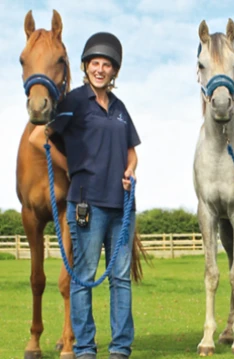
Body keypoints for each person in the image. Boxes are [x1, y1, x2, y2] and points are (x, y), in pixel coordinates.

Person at [29, 32, 141, 359]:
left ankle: (120, 348)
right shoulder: (74, 102)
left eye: (107, 65)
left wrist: (131, 169)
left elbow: (132, 151)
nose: (101, 69)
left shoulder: (120, 108)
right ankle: (85, 349)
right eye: (95, 63)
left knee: (120, 279)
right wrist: (73, 166)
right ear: (86, 67)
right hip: (86, 205)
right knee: (84, 277)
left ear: (114, 71)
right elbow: (40, 137)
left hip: (122, 206)